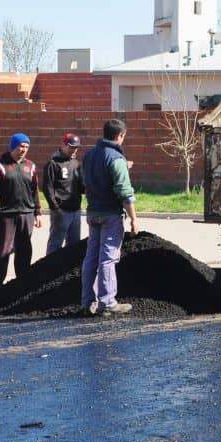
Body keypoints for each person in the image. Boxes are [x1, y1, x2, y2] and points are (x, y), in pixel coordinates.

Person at [80, 119, 138, 316]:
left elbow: (91, 178)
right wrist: (133, 219)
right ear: (119, 136)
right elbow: (124, 191)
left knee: (91, 258)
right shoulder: (116, 158)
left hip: (93, 212)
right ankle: (107, 303)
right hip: (110, 215)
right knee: (108, 258)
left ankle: (88, 302)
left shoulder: (89, 155)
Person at [0, 133, 42, 287]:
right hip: (6, 214)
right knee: (2, 250)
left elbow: (34, 190)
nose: (23, 149)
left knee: (24, 249)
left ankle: (22, 283)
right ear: (13, 146)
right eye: (20, 146)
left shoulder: (30, 166)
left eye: (26, 147)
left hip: (26, 213)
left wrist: (37, 212)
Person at [43, 133, 84, 255]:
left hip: (75, 210)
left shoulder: (76, 163)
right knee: (55, 244)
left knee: (74, 244)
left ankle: (68, 272)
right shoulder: (53, 163)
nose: (74, 150)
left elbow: (80, 187)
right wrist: (55, 208)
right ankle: (50, 270)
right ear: (63, 145)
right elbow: (47, 188)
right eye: (71, 147)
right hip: (61, 211)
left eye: (76, 147)